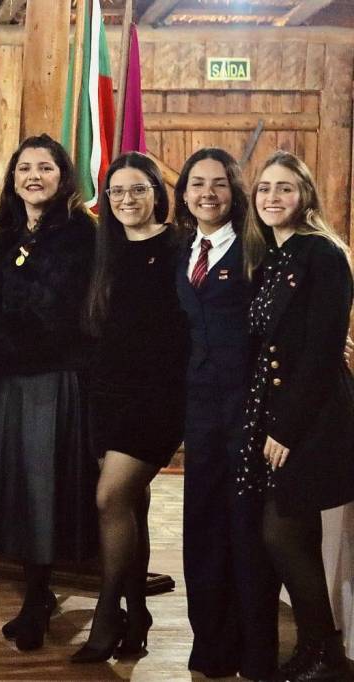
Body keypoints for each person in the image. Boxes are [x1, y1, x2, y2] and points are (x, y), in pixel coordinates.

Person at [0, 134, 98, 652]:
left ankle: (39, 599)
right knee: (20, 489)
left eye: (45, 167)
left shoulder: (79, 233)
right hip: (6, 377)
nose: (34, 177)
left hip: (51, 376)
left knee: (44, 488)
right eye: (25, 168)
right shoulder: (5, 232)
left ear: (62, 176)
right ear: (12, 178)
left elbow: (59, 312)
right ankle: (35, 592)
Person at [238, 150, 354, 679]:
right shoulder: (273, 255)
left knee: (281, 532)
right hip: (274, 411)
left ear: (305, 195)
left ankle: (324, 650)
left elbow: (323, 350)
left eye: (284, 187)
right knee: (296, 532)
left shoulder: (321, 253)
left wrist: (285, 428)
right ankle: (315, 648)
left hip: (311, 416)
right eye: (264, 188)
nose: (272, 197)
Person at [72, 153, 187, 662]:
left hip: (158, 397)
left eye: (138, 189)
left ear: (158, 194)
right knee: (130, 505)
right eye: (116, 191)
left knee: (110, 497)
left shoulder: (180, 247)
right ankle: (137, 612)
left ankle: (107, 611)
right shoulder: (103, 248)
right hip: (106, 394)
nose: (126, 199)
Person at [174, 148, 280, 679]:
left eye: (218, 183)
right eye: (197, 183)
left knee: (246, 531)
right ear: (184, 193)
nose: (207, 193)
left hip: (249, 410)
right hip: (200, 412)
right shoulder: (181, 249)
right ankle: (211, 647)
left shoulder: (257, 249)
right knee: (203, 527)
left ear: (235, 191)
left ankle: (256, 653)